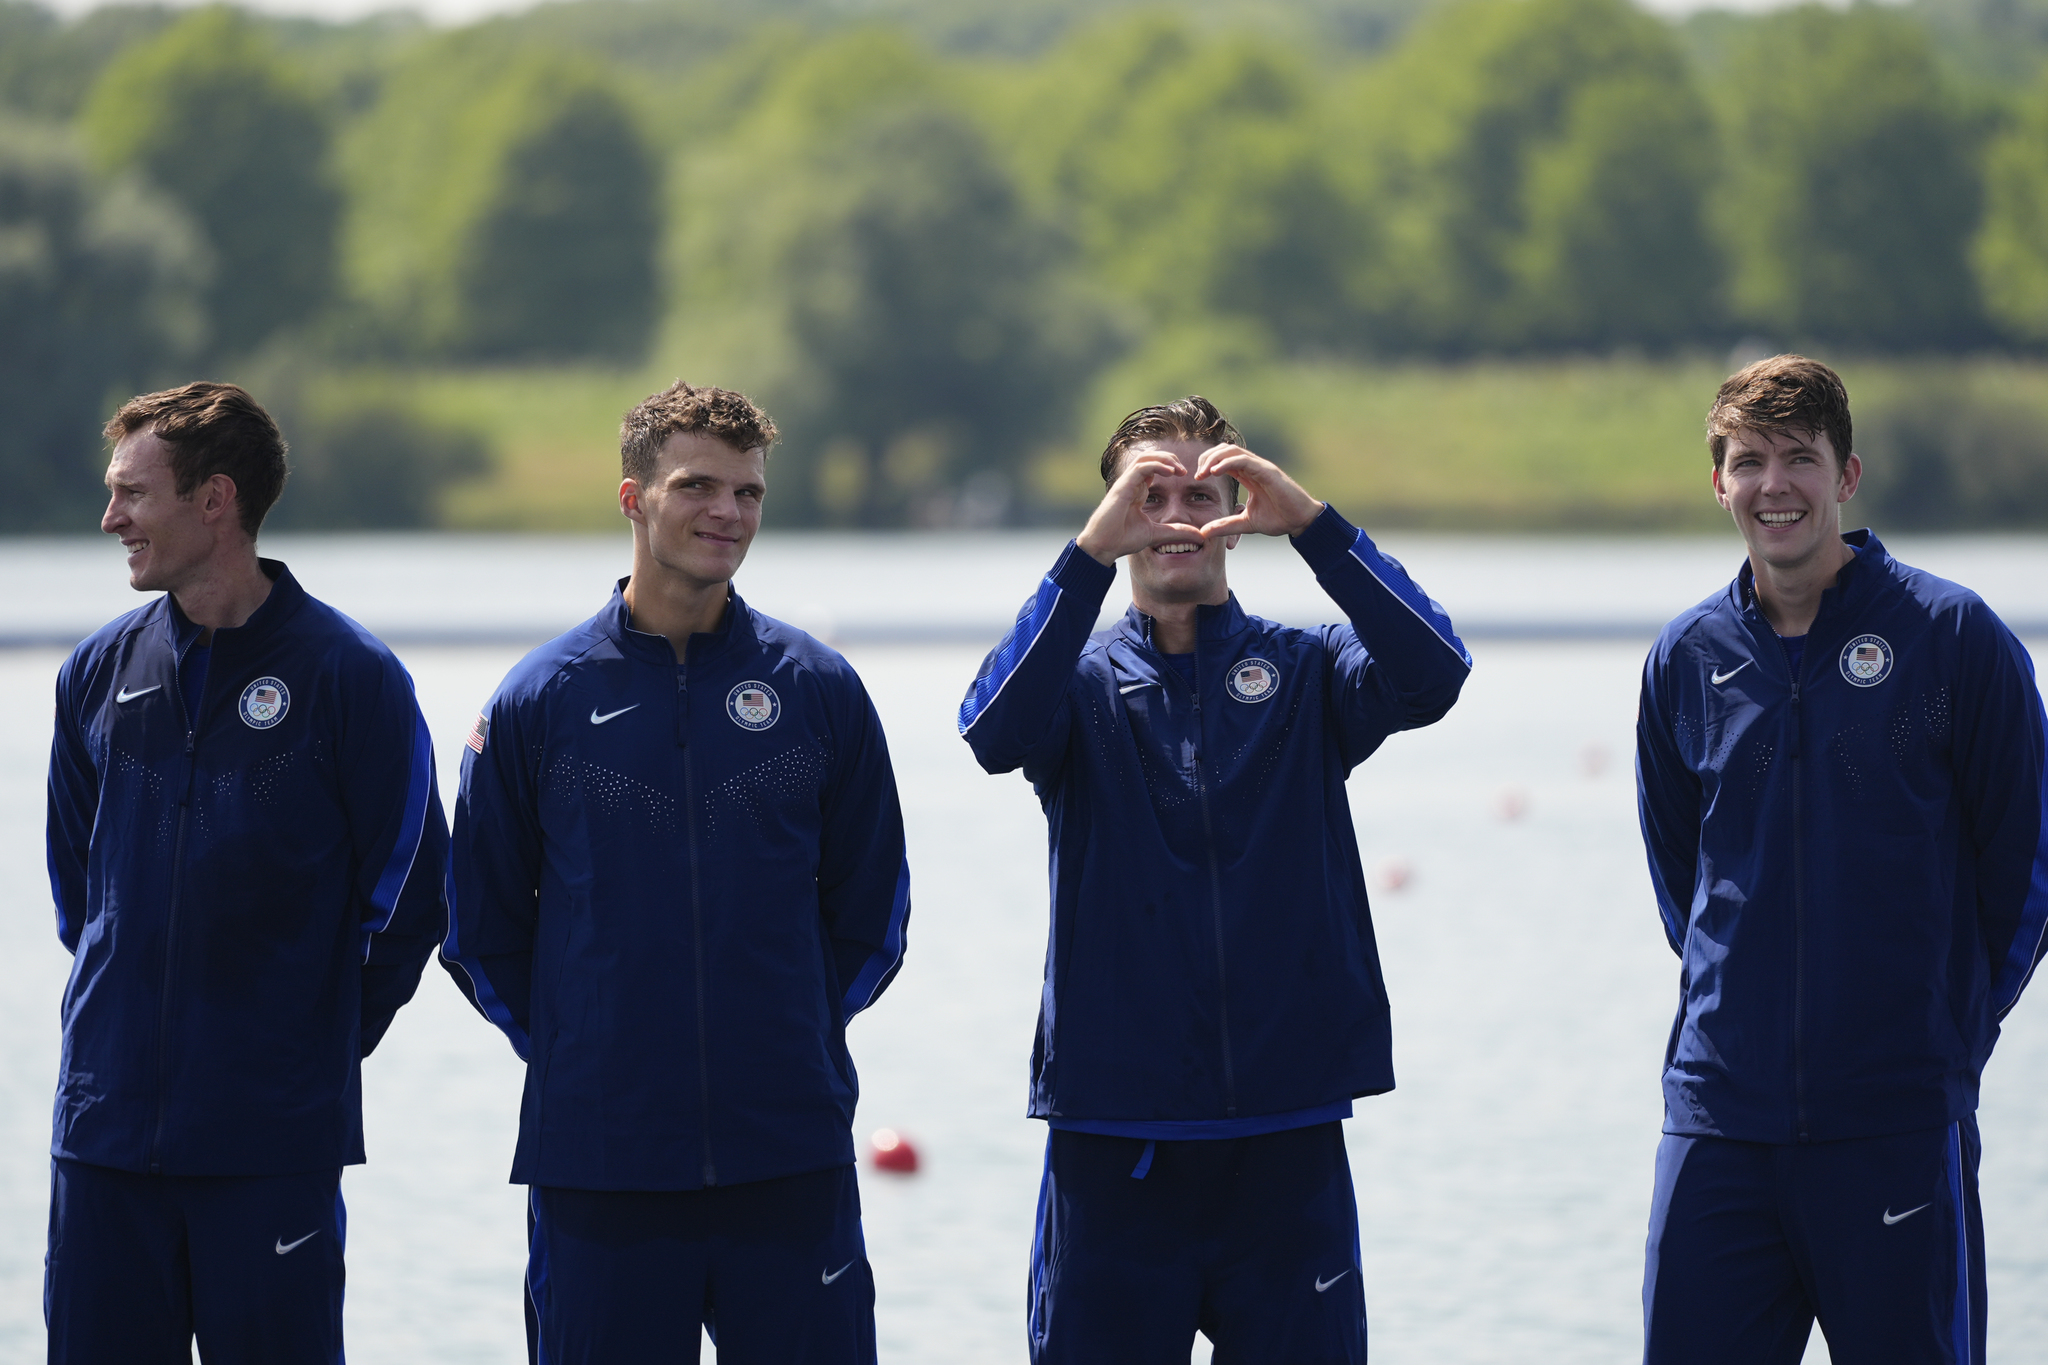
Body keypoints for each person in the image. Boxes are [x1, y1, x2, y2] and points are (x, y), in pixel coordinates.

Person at [958, 395, 1471, 1362]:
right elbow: (991, 734)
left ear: (1240, 508)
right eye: (1150, 494)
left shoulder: (1307, 668)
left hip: (1287, 1137)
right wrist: (1084, 557)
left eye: (1203, 492)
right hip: (1115, 1142)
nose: (1180, 515)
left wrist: (1318, 529)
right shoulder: (1072, 680)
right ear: (1117, 513)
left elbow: (1435, 672)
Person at [441, 381, 911, 1364]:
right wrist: (588, 1049)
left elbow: (871, 914)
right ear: (631, 499)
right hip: (601, 1162)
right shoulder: (539, 701)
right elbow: (481, 931)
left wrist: (788, 1037)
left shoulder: (818, 689)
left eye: (747, 493)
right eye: (697, 486)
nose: (726, 513)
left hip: (787, 1152)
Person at [1635, 355, 2048, 1364]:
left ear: (1844, 476)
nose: (1771, 486)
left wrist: (1944, 1035)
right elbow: (1682, 881)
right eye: (1746, 462)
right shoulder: (1684, 656)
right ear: (1717, 482)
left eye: (1797, 459)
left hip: (1895, 1117)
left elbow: (2024, 870)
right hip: (1720, 1120)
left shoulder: (1951, 638)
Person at [44, 382, 446, 1364]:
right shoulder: (95, 674)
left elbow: (415, 899)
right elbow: (79, 895)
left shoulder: (350, 675)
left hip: (270, 1146)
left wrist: (306, 1048)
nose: (110, 520)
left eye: (132, 494)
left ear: (214, 499)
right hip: (102, 1141)